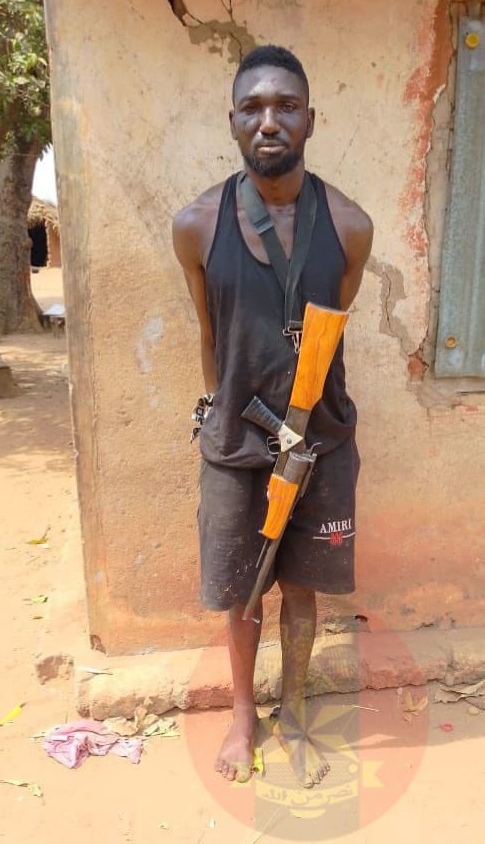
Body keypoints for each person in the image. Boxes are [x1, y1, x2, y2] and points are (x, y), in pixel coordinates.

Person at [172, 45, 373, 789]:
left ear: (310, 121)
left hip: (320, 439)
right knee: (242, 588)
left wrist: (301, 419)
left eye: (286, 106)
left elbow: (328, 332)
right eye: (253, 108)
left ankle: (292, 713)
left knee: (302, 587)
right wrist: (225, 418)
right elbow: (209, 335)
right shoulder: (196, 225)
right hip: (238, 440)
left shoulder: (350, 226)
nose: (269, 122)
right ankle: (242, 718)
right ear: (231, 122)